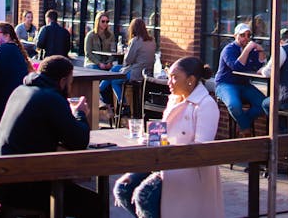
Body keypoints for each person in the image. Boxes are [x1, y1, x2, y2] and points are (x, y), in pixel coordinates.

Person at [0, 55, 98, 217]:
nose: (70, 86)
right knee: (94, 204)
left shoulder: (20, 91)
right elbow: (79, 141)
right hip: (20, 187)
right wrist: (79, 113)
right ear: (62, 81)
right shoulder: (51, 99)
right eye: (71, 81)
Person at [113, 56, 223, 218]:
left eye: (175, 77)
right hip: (164, 162)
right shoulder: (174, 99)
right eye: (169, 76)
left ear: (190, 80)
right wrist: (146, 143)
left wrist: (164, 158)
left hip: (189, 170)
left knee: (144, 196)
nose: (169, 82)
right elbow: (161, 129)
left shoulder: (206, 105)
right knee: (122, 188)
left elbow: (201, 149)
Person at [214, 22, 266, 136]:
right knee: (234, 105)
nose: (246, 38)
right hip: (226, 84)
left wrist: (261, 51)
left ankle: (242, 123)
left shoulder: (251, 50)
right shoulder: (229, 50)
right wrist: (247, 50)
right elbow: (237, 67)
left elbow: (258, 66)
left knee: (264, 104)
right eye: (242, 35)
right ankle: (245, 128)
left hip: (244, 84)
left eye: (248, 35)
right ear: (235, 36)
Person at [100, 17, 156, 107]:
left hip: (136, 73)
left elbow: (128, 61)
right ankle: (100, 90)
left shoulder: (136, 40)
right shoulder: (152, 40)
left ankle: (124, 103)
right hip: (147, 72)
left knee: (114, 81)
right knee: (114, 68)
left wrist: (126, 52)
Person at [0, 22, 33, 126]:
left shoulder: (3, 50)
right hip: (16, 102)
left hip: (4, 104)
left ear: (6, 36)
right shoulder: (15, 50)